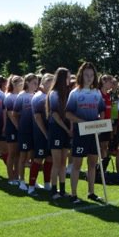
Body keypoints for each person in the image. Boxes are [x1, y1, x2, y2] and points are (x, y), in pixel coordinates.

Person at [65, 62, 105, 203]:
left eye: (92, 75)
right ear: (81, 75)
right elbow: (68, 113)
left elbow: (102, 110)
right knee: (77, 164)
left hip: (94, 133)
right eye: (86, 75)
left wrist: (100, 123)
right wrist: (80, 121)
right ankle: (73, 194)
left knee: (92, 164)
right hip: (80, 134)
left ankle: (91, 192)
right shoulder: (75, 93)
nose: (89, 77)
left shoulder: (97, 92)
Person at [46, 67, 72, 200]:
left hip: (66, 130)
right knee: (56, 162)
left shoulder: (67, 93)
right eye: (68, 76)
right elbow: (55, 114)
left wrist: (70, 127)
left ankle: (62, 189)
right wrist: (66, 129)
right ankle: (53, 190)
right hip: (56, 130)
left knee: (63, 162)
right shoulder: (54, 93)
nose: (70, 79)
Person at [12, 73, 39, 192]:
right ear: (27, 83)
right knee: (22, 157)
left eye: (37, 83)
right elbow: (14, 114)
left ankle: (32, 180)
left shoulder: (35, 96)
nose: (36, 85)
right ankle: (21, 180)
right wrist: (20, 127)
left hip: (34, 131)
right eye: (34, 83)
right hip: (24, 132)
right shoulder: (21, 96)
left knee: (33, 157)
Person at [29, 73, 54, 195]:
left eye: (52, 81)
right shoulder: (39, 97)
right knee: (38, 159)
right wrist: (45, 134)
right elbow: (38, 118)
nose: (51, 83)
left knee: (50, 158)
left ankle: (47, 184)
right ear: (42, 83)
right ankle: (31, 187)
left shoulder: (50, 96)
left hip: (49, 134)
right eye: (48, 81)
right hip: (40, 134)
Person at [4, 75, 24, 186]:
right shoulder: (9, 97)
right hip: (12, 128)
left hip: (19, 128)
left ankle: (16, 176)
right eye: (20, 83)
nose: (22, 85)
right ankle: (10, 177)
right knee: (11, 153)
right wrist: (18, 127)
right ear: (14, 84)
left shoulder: (21, 96)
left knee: (18, 154)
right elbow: (11, 115)